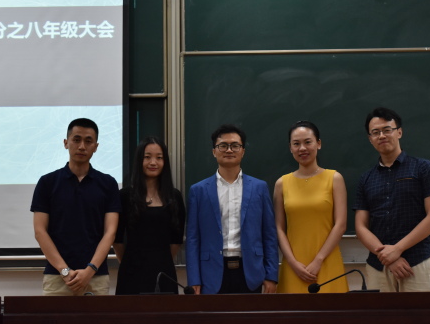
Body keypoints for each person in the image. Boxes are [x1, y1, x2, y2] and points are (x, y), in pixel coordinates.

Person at [353, 107, 430, 292]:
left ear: (399, 132)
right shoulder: (366, 178)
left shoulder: (423, 168)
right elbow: (361, 227)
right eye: (375, 132)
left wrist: (397, 249)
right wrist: (388, 257)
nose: (382, 136)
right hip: (378, 267)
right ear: (370, 139)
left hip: (417, 263)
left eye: (387, 130)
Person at [31, 118, 121, 295]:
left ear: (96, 146)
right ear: (66, 143)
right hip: (57, 277)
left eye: (88, 141)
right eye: (76, 140)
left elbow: (110, 232)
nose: (82, 146)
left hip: (96, 277)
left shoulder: (108, 184)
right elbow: (40, 231)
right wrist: (65, 271)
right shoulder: (47, 182)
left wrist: (90, 270)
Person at [185, 124, 279, 294]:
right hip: (210, 274)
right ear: (214, 151)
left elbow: (269, 235)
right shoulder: (198, 191)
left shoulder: (259, 188)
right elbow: (193, 238)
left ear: (243, 151)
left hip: (251, 272)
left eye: (235, 145)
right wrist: (194, 278)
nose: (229, 150)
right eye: (223, 145)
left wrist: (271, 275)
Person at [274, 120, 349, 293]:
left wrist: (318, 260)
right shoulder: (281, 184)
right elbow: (279, 228)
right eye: (296, 144)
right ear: (290, 148)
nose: (302, 148)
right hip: (294, 266)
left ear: (318, 144)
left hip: (326, 261)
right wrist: (292, 262)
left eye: (308, 142)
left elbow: (340, 225)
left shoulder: (334, 178)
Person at [113, 136, 186, 294]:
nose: (153, 162)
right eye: (147, 157)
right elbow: (117, 240)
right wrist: (130, 261)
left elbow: (176, 240)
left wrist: (159, 260)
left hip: (164, 271)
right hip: (131, 271)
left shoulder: (174, 197)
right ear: (139, 160)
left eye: (159, 158)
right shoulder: (125, 195)